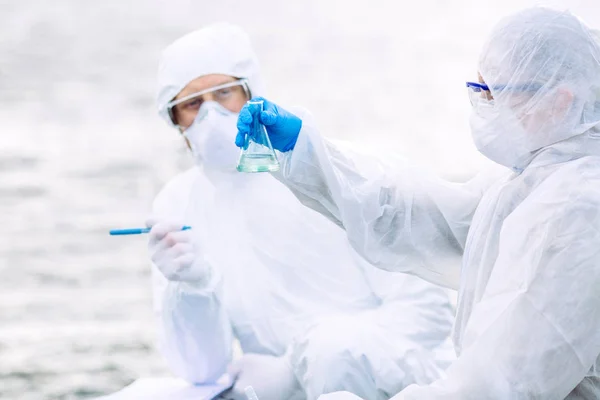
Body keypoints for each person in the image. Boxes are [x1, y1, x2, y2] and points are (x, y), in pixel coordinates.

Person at [235, 7, 600, 400]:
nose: (482, 104)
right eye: (478, 88)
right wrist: (307, 150)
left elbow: (501, 383)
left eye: (495, 92)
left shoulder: (579, 209)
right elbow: (428, 218)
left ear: (559, 101)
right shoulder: (533, 176)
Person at [148, 22, 455, 400]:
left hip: (393, 378)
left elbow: (428, 312)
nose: (210, 115)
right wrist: (191, 288)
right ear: (174, 119)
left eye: (223, 93)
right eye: (192, 104)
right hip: (275, 389)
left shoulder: (329, 168)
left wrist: (300, 365)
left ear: (251, 92)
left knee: (333, 351)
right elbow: (201, 369)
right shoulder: (177, 203)